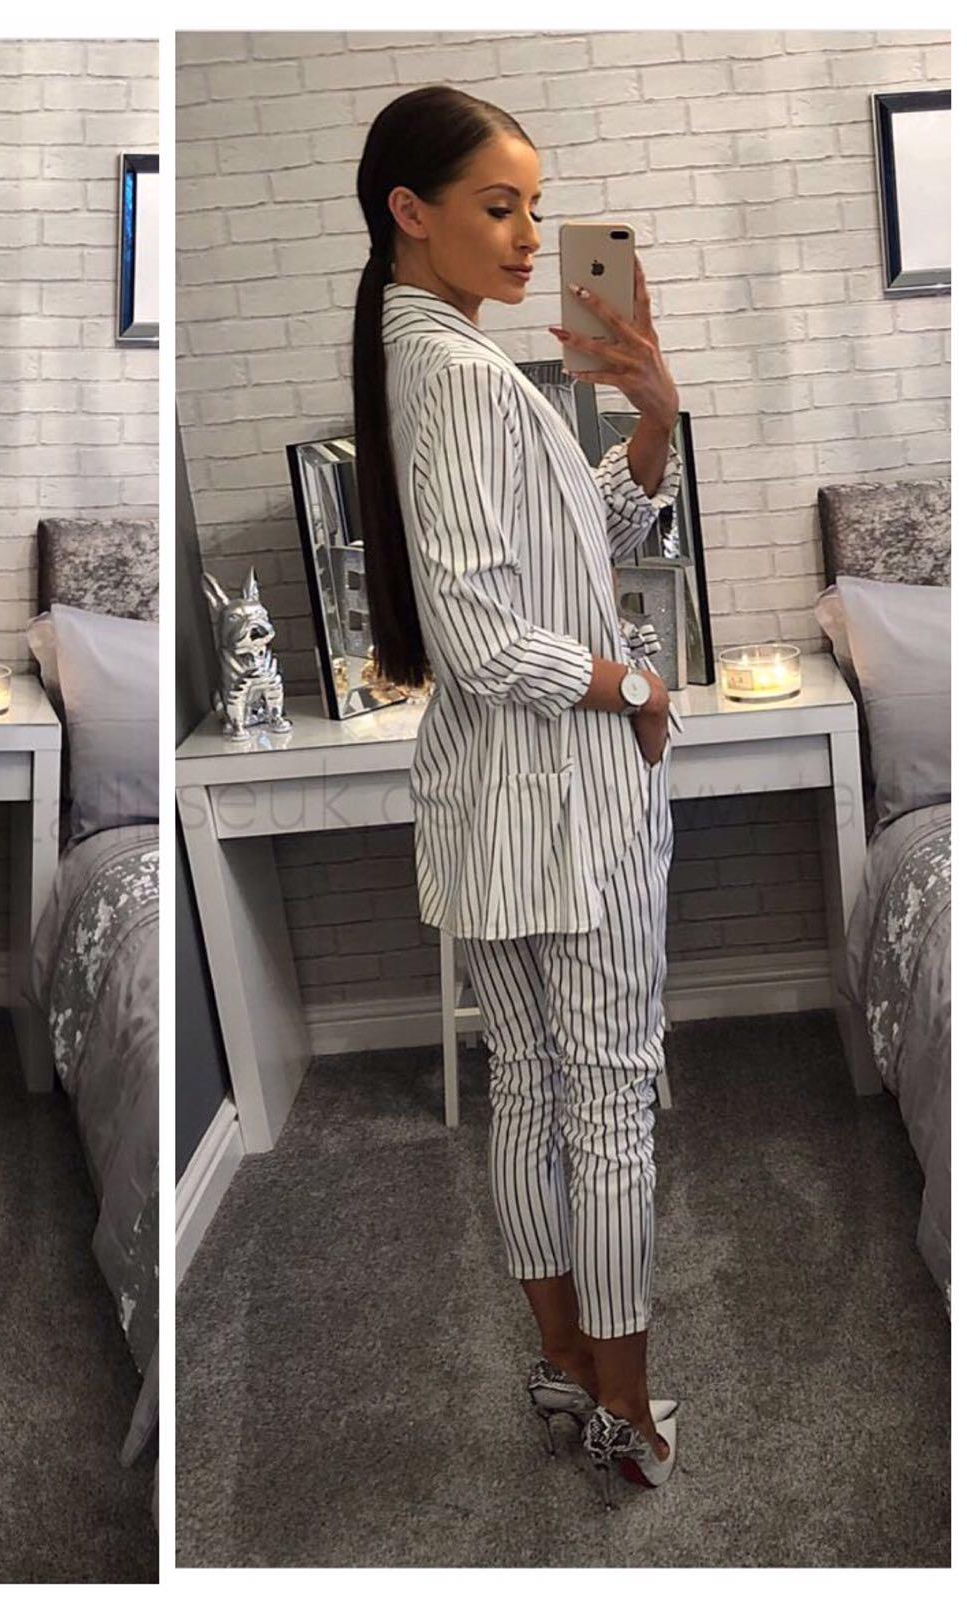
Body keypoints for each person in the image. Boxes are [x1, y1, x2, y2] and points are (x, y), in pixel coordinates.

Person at [350, 84, 686, 1504]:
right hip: (563, 801)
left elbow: (559, 559)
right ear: (410, 212)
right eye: (501, 207)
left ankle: (569, 1371)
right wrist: (635, 688)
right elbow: (487, 640)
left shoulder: (435, 360)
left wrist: (650, 426)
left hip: (497, 808)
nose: (532, 236)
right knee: (604, 1107)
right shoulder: (462, 376)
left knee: (533, 1094)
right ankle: (623, 1404)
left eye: (538, 209)